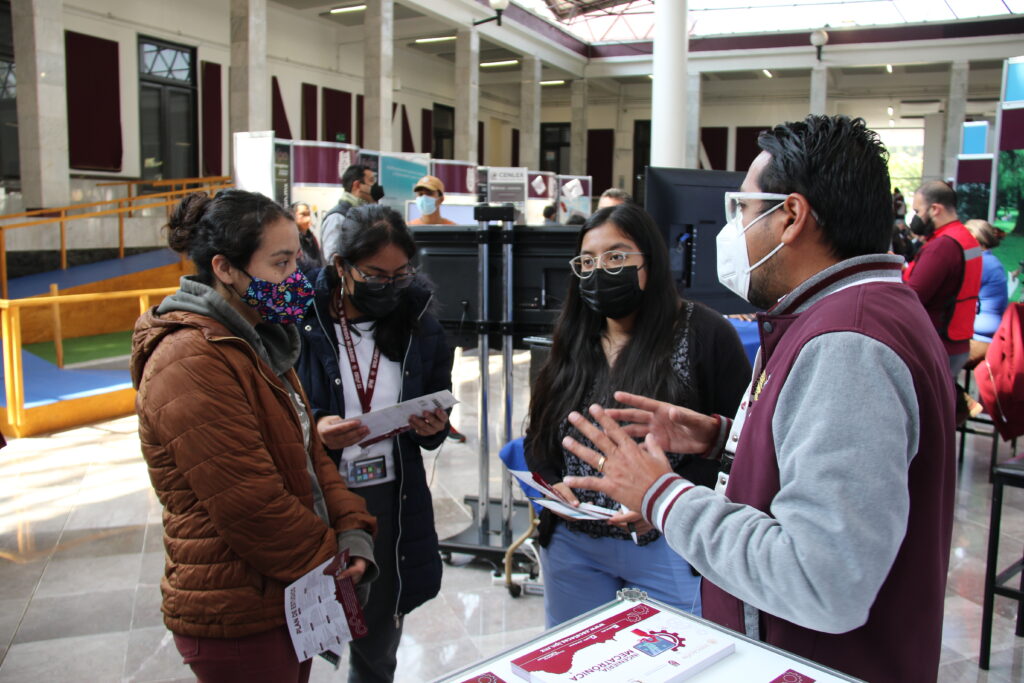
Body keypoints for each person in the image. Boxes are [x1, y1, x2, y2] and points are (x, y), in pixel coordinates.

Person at [559, 116, 955, 683]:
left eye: (742, 210)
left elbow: (823, 580)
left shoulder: (849, 343)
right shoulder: (852, 312)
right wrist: (725, 436)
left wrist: (661, 496)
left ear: (791, 216)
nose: (733, 231)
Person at [131, 190, 377, 682]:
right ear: (224, 268)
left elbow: (309, 457)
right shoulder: (190, 359)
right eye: (281, 263)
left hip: (286, 592)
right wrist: (334, 561)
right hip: (239, 609)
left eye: (298, 260)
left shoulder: (258, 339)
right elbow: (252, 505)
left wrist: (352, 530)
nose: (297, 278)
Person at [525, 202, 750, 628]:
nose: (599, 270)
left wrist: (666, 499)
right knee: (577, 665)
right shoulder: (574, 337)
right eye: (587, 261)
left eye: (616, 257)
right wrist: (554, 486)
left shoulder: (704, 332)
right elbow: (539, 435)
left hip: (670, 541)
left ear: (650, 260)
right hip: (574, 544)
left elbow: (741, 446)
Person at [295, 204, 453, 683]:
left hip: (391, 494)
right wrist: (316, 430)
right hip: (318, 496)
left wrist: (433, 427)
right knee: (309, 623)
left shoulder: (420, 322)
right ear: (341, 267)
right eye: (376, 275)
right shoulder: (303, 319)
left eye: (402, 274)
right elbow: (279, 406)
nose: (390, 285)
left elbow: (437, 404)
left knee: (379, 635)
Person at [903, 180, 982, 378]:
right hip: (955, 340)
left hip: (937, 344)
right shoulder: (965, 237)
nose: (916, 218)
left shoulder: (942, 247)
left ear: (935, 209)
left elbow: (913, 296)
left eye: (918, 211)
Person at [321, 164, 384, 263]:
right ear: (357, 185)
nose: (375, 186)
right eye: (371, 181)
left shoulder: (367, 215)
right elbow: (332, 258)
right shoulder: (337, 217)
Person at [291, 200, 324, 275]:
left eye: (308, 214)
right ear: (293, 215)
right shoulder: (290, 239)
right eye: (303, 214)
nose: (308, 218)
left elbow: (318, 261)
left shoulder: (311, 237)